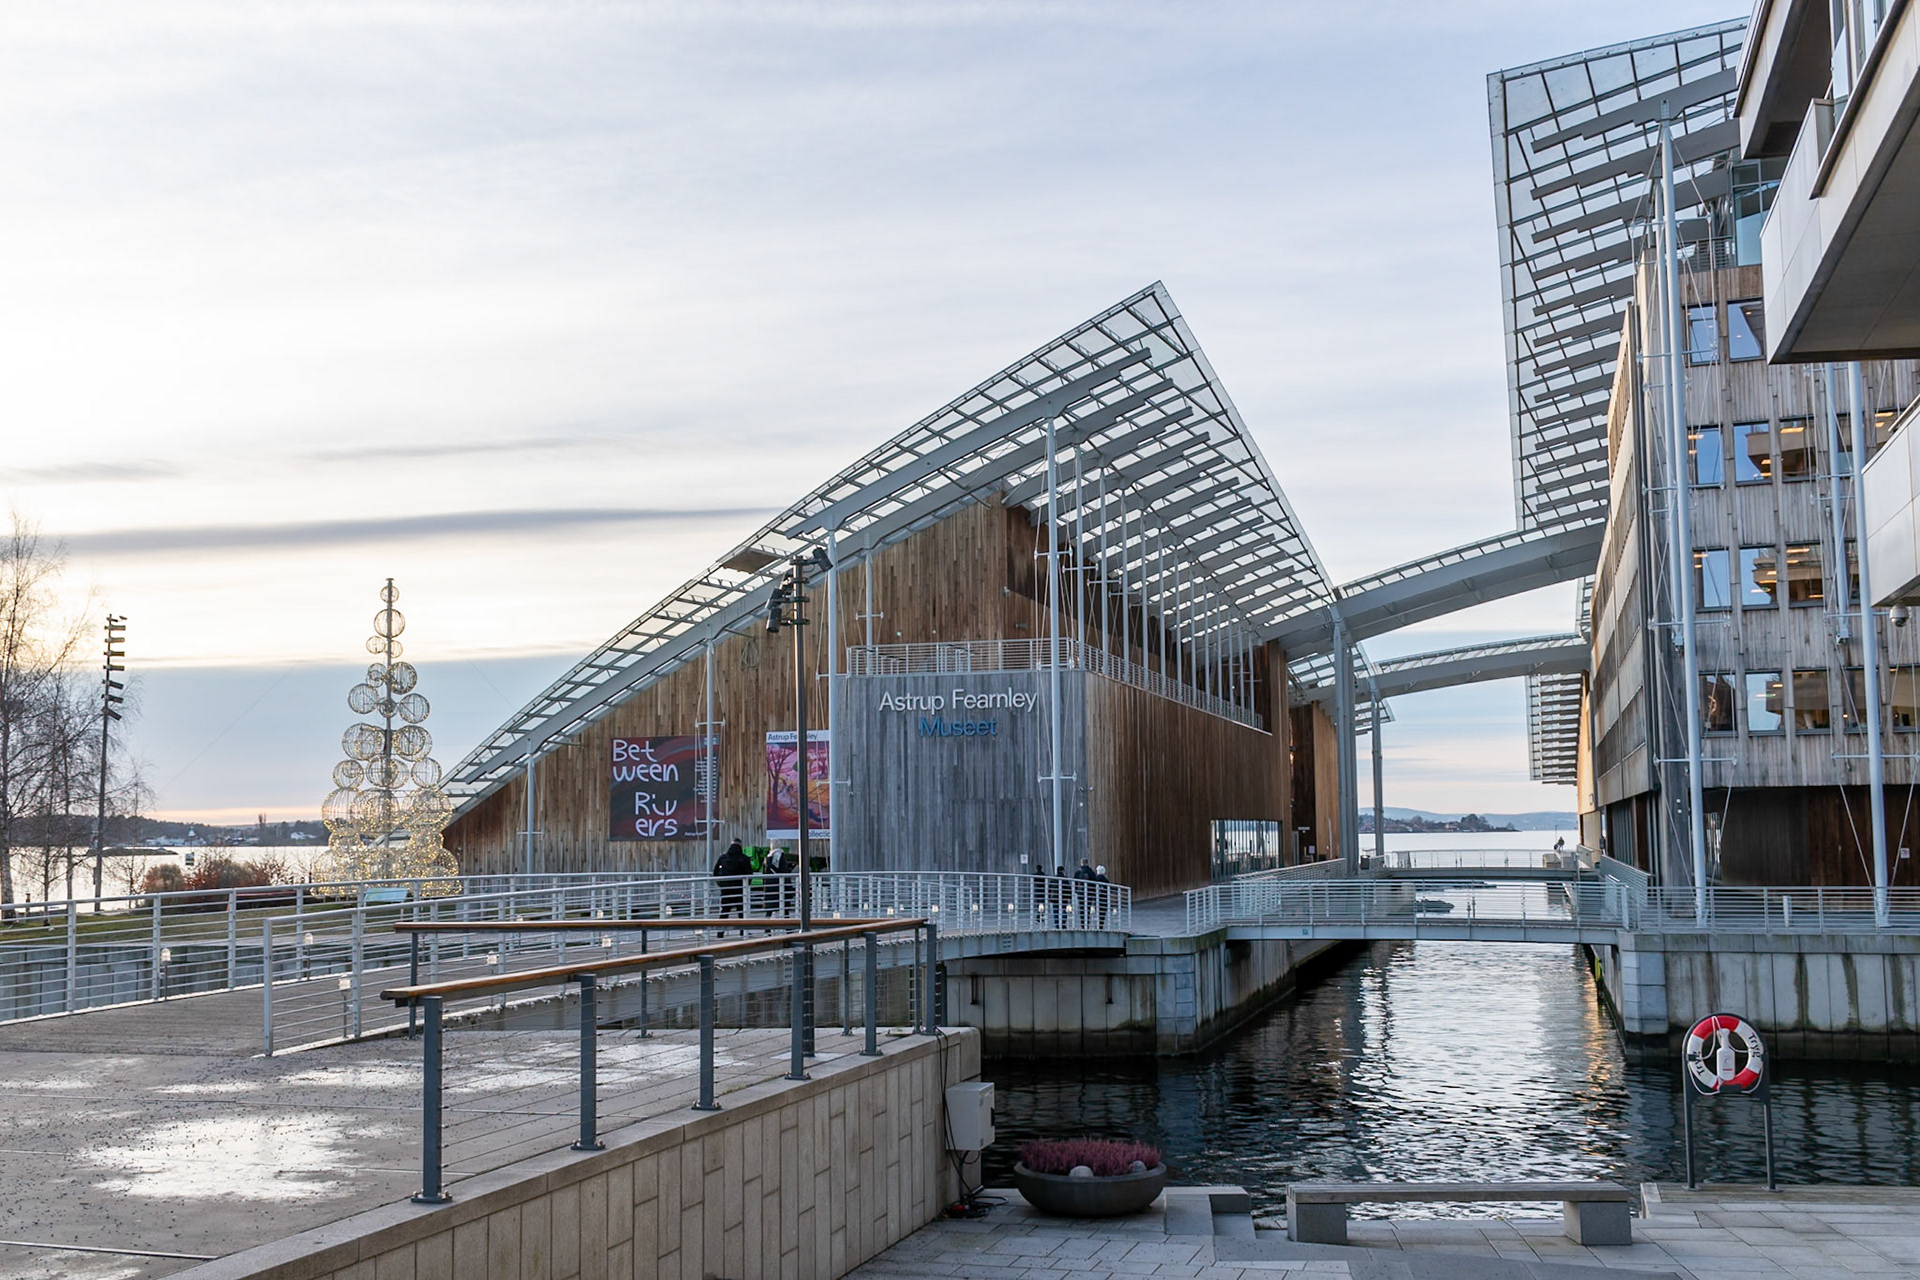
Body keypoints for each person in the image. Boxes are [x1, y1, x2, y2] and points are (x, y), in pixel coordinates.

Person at [712, 839, 752, 931]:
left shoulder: (723, 858)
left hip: (726, 888)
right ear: (741, 846)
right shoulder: (744, 858)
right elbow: (749, 874)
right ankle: (743, 932)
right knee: (741, 911)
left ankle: (720, 932)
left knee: (725, 910)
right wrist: (746, 886)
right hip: (740, 888)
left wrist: (721, 883)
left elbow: (715, 872)